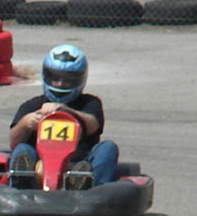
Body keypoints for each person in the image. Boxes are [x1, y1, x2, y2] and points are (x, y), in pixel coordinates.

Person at [8, 44, 118, 190]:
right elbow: (13, 143)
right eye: (55, 78)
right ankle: (22, 183)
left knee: (108, 147)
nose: (60, 84)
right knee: (22, 148)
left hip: (79, 164)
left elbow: (93, 125)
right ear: (46, 76)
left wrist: (66, 110)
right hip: (40, 167)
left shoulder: (90, 103)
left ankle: (88, 186)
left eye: (68, 80)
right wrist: (25, 124)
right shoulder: (32, 106)